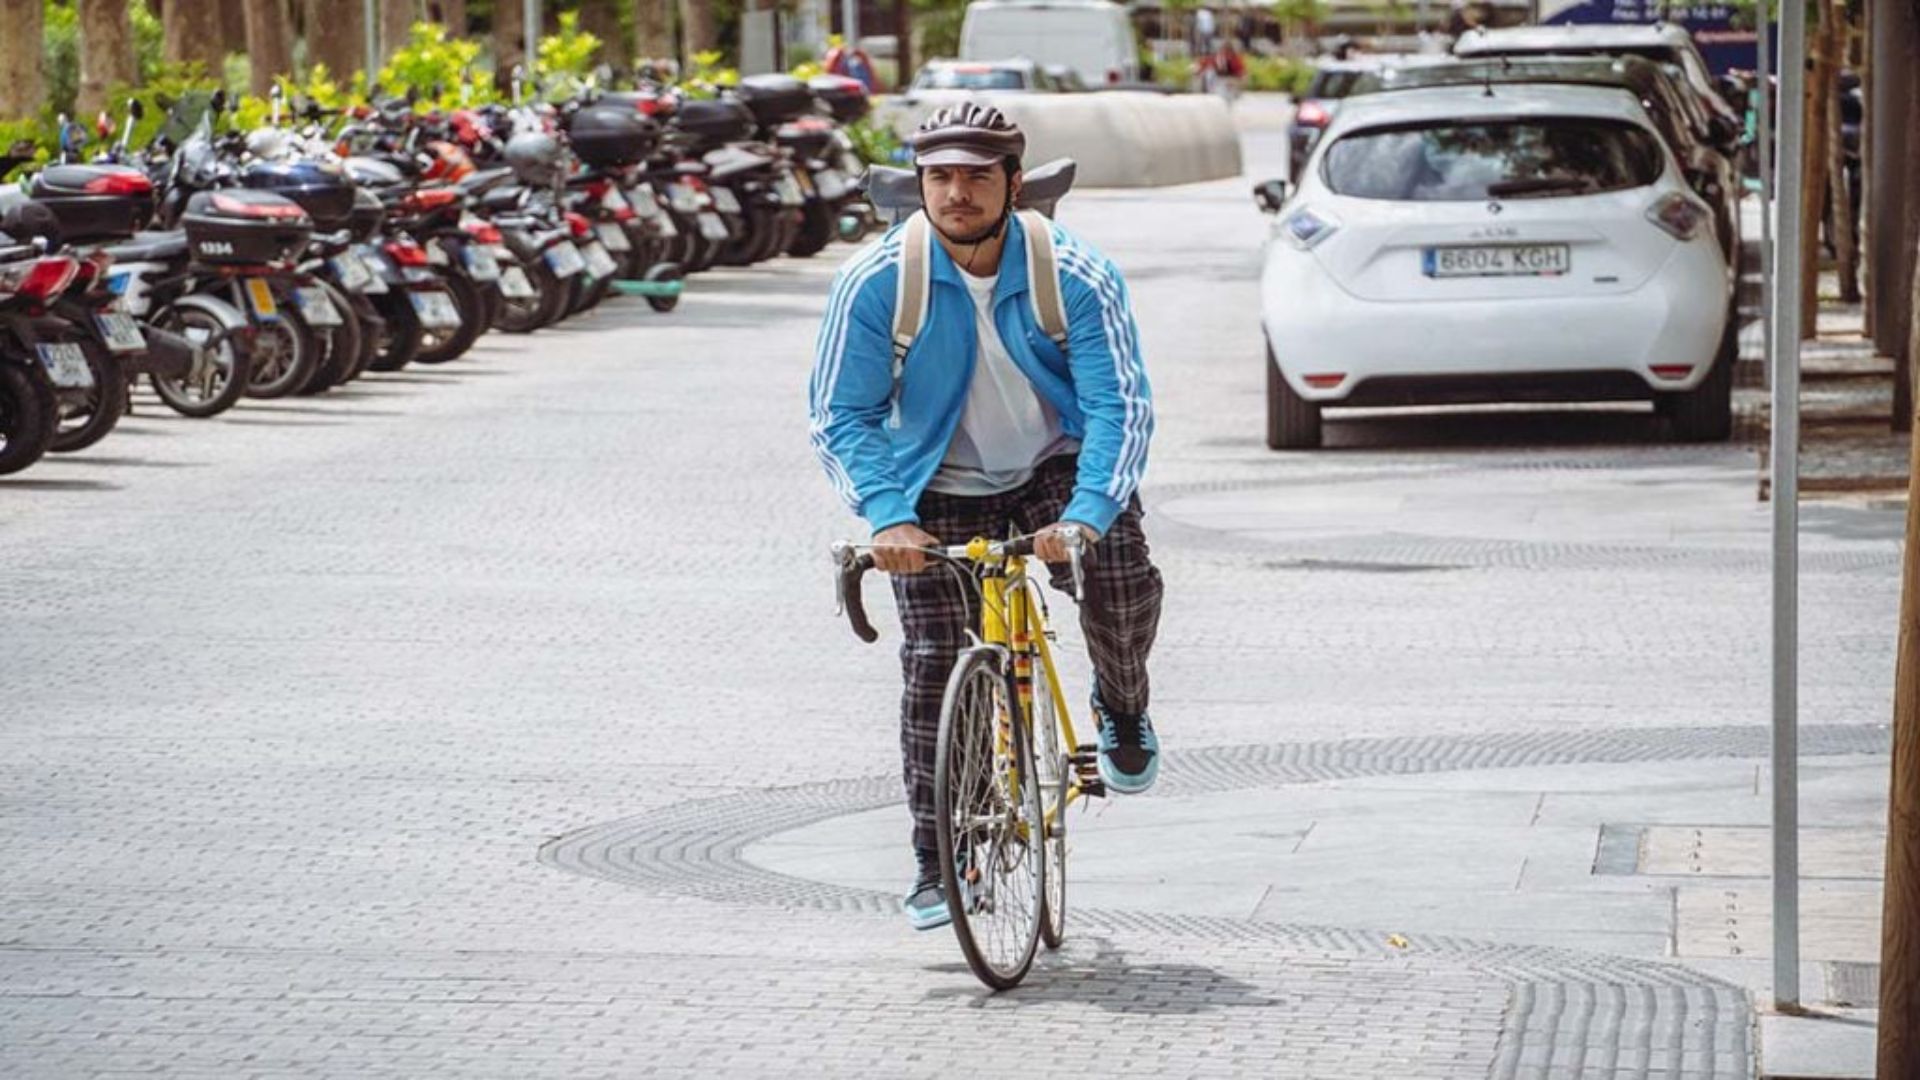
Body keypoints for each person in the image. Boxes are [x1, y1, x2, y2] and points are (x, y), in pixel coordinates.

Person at [807, 105, 1165, 931]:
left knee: (1119, 580)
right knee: (935, 662)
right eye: (940, 176)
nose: (957, 192)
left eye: (976, 175)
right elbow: (842, 414)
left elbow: (1121, 406)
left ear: (1013, 183)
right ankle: (940, 860)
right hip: (932, 485)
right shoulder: (877, 281)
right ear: (918, 184)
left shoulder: (1071, 272)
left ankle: (1121, 701)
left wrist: (1088, 514)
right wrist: (889, 519)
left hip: (1055, 466)